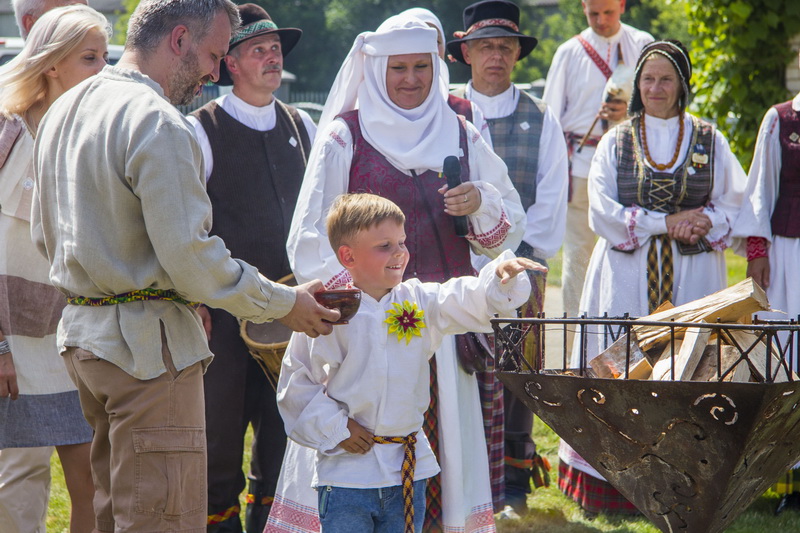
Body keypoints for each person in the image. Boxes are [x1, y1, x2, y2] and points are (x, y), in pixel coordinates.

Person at [30, 0, 339, 530]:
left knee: (114, 514)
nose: (214, 74)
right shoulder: (158, 122)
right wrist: (284, 303)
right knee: (160, 519)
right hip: (146, 354)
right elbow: (191, 260)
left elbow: (44, 235)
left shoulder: (67, 107)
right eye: (214, 55)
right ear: (179, 40)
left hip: (87, 342)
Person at [269, 13, 525, 533]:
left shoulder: (461, 131)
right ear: (377, 70)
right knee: (357, 448)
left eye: (421, 67)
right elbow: (311, 236)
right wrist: (358, 305)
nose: (411, 79)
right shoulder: (345, 135)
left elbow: (507, 230)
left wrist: (480, 201)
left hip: (438, 318)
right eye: (398, 68)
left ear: (436, 67)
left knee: (443, 455)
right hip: (361, 329)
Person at [278, 193, 538, 533]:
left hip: (406, 469)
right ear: (348, 256)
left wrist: (497, 280)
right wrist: (337, 429)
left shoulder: (418, 300)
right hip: (346, 475)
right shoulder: (329, 312)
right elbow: (296, 382)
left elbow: (461, 297)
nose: (400, 252)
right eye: (384, 246)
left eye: (401, 242)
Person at [566, 39, 746, 516]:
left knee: (692, 362)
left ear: (682, 85)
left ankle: (689, 478)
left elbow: (736, 201)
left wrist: (703, 220)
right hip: (627, 271)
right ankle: (615, 483)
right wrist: (665, 222)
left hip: (692, 272)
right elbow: (602, 211)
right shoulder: (616, 140)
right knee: (624, 362)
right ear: (637, 85)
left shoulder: (710, 138)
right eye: (648, 79)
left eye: (666, 79)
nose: (656, 88)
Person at [185, 4, 318, 532]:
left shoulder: (304, 125)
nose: (271, 57)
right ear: (230, 64)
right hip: (223, 310)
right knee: (219, 430)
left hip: (291, 307)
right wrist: (195, 300)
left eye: (275, 49)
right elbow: (188, 227)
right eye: (257, 50)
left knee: (286, 425)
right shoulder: (200, 129)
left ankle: (273, 521)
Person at [446, 0, 568, 515]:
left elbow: (551, 196)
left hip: (521, 265)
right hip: (455, 267)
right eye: (485, 47)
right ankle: (462, 471)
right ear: (466, 53)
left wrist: (515, 259)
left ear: (517, 53)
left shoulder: (540, 116)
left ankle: (514, 478)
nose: (495, 56)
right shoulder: (445, 110)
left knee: (517, 370)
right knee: (460, 366)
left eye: (505, 46)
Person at [0, 4, 101, 533]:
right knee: (18, 482)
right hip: (12, 345)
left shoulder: (90, 134)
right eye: (90, 58)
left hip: (73, 338)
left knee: (94, 484)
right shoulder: (7, 128)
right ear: (52, 63)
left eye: (104, 57)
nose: (103, 70)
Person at [542, 0, 653, 352]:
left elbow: (661, 105)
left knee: (632, 257)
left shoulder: (643, 43)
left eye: (608, 12)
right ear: (583, 7)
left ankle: (632, 351)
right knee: (579, 260)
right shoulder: (569, 52)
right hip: (581, 166)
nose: (602, 20)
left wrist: (628, 111)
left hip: (633, 167)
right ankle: (577, 355)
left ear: (622, 4)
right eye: (594, 13)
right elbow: (550, 119)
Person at [731, 50, 800, 514]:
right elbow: (760, 189)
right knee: (786, 357)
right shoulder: (781, 120)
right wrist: (757, 251)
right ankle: (783, 478)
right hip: (790, 256)